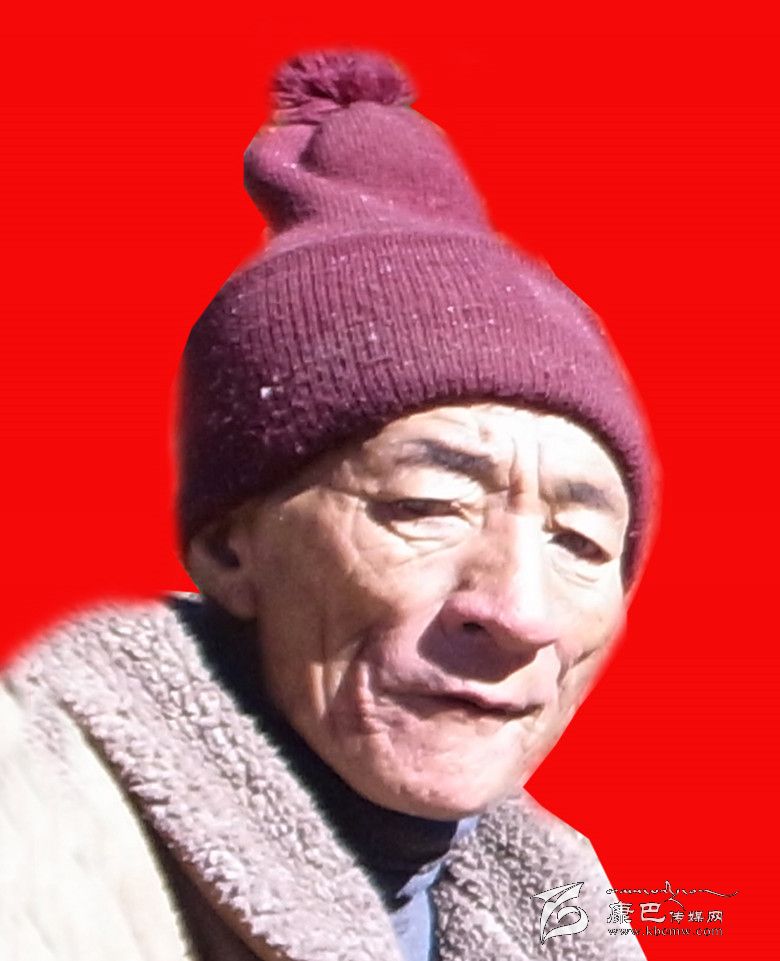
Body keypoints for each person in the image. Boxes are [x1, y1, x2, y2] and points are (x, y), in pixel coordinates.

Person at [0, 48, 655, 961]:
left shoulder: (562, 908)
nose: (519, 610)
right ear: (231, 548)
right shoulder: (37, 836)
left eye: (581, 542)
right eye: (426, 505)